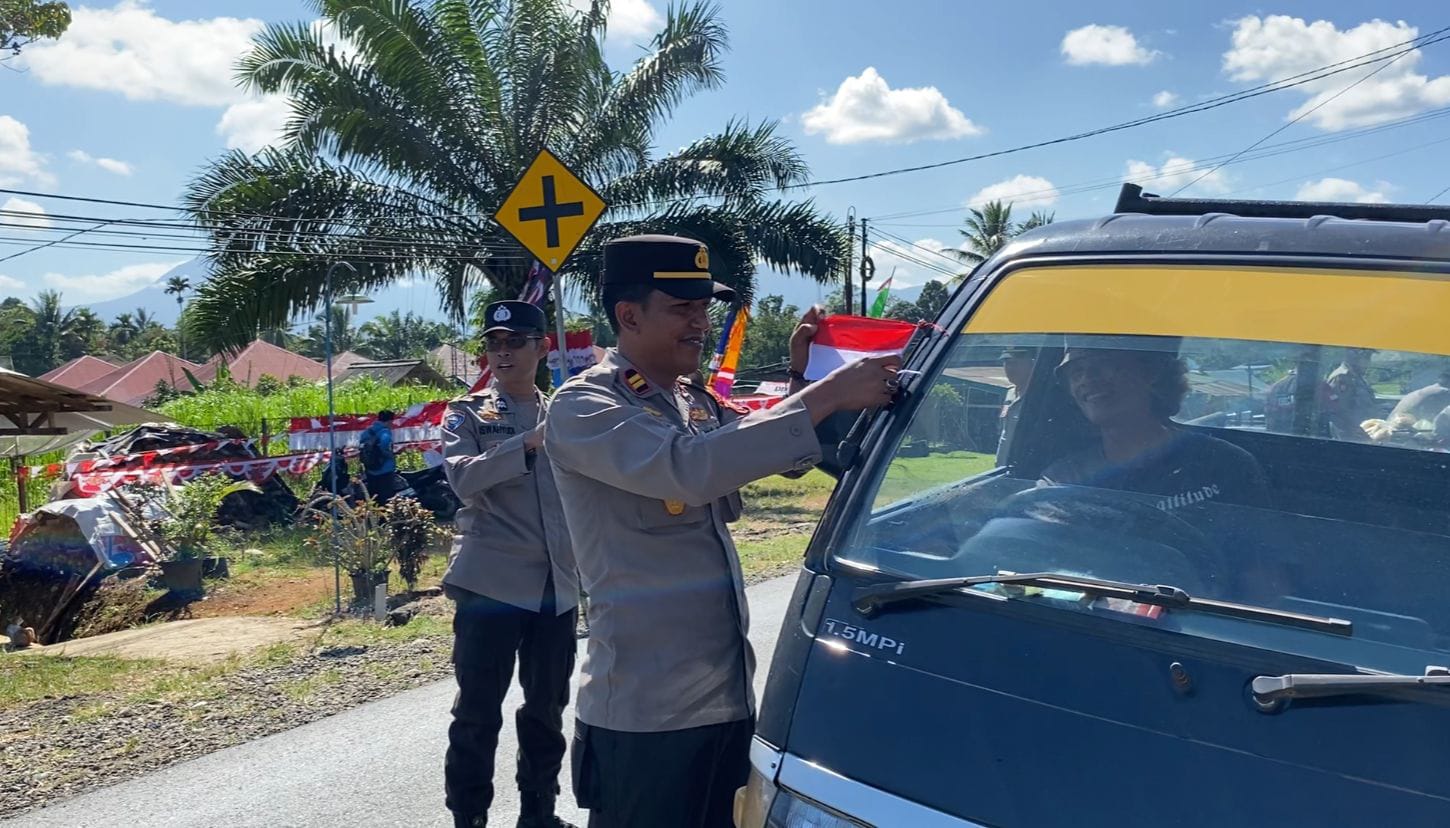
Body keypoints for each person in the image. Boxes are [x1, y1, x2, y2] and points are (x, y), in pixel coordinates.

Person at [545, 234, 899, 828]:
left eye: (704, 308)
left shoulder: (693, 400)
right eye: (683, 308)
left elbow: (777, 449)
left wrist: (803, 373)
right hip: (644, 715)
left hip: (725, 698)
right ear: (628, 315)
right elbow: (692, 469)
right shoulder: (584, 408)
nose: (701, 323)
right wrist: (827, 394)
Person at [440, 301, 580, 828]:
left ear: (541, 347)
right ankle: (469, 816)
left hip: (558, 585)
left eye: (515, 341)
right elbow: (463, 479)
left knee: (546, 711)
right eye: (494, 343)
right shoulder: (468, 413)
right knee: (477, 712)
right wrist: (527, 443)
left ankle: (538, 812)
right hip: (490, 584)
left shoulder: (570, 410)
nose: (502, 352)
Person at [1040, 337, 1270, 512]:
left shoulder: (1224, 465)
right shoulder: (1063, 479)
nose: (1088, 379)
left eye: (1104, 364)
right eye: (1076, 371)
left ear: (1150, 371)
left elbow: (1260, 569)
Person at [1323, 348, 1379, 442]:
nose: (1368, 362)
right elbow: (1338, 411)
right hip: (1350, 435)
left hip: (1363, 430)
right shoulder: (1342, 377)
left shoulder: (1357, 377)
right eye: (1366, 358)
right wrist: (1354, 430)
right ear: (1354, 358)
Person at [997, 346, 1036, 465]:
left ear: (1031, 364)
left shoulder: (1038, 395)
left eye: (1015, 363)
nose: (1010, 368)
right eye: (1007, 363)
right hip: (1003, 467)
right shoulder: (1010, 394)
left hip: (1026, 467)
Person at [359, 409, 401, 500]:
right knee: (386, 497)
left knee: (374, 497)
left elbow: (361, 446)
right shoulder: (385, 432)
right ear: (390, 421)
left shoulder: (367, 432)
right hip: (385, 469)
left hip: (370, 468)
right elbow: (385, 446)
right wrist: (391, 456)